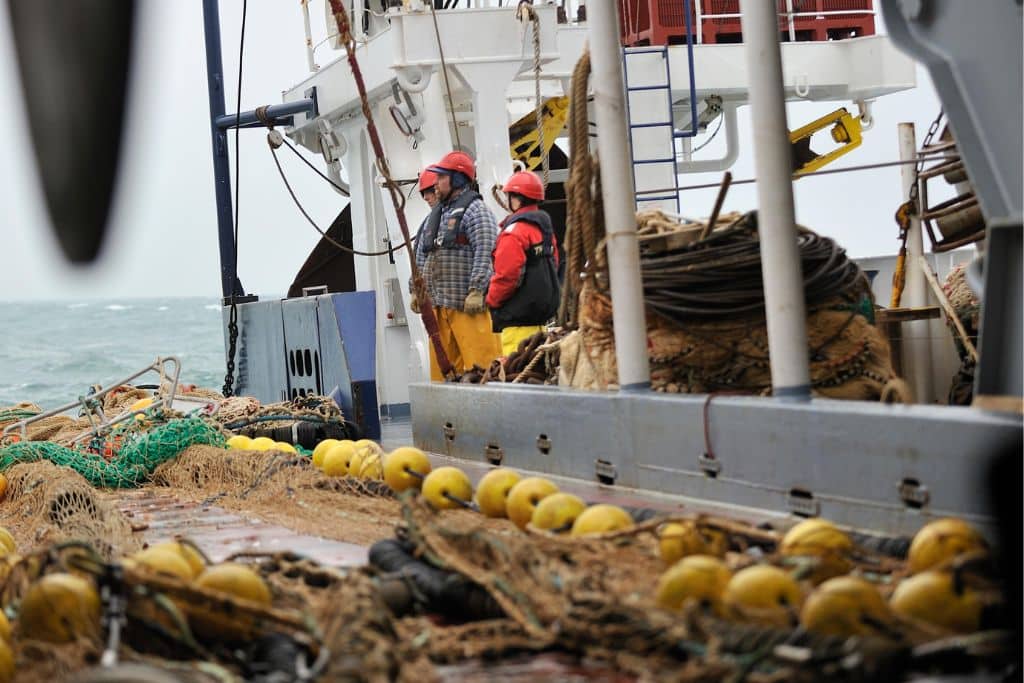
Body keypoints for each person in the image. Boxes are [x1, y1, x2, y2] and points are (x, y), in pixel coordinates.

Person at [412, 151, 501, 380]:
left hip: (467, 308)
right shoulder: (435, 217)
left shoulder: (476, 212)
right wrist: (416, 290)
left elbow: (486, 250)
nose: (436, 183)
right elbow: (421, 256)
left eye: (442, 177)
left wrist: (477, 290)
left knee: (482, 369)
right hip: (438, 309)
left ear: (457, 179)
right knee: (443, 375)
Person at [486, 171, 560, 356]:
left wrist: (491, 300)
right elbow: (555, 263)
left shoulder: (514, 233)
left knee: (516, 374)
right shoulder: (545, 231)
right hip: (541, 327)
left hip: (516, 327)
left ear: (516, 199)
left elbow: (507, 276)